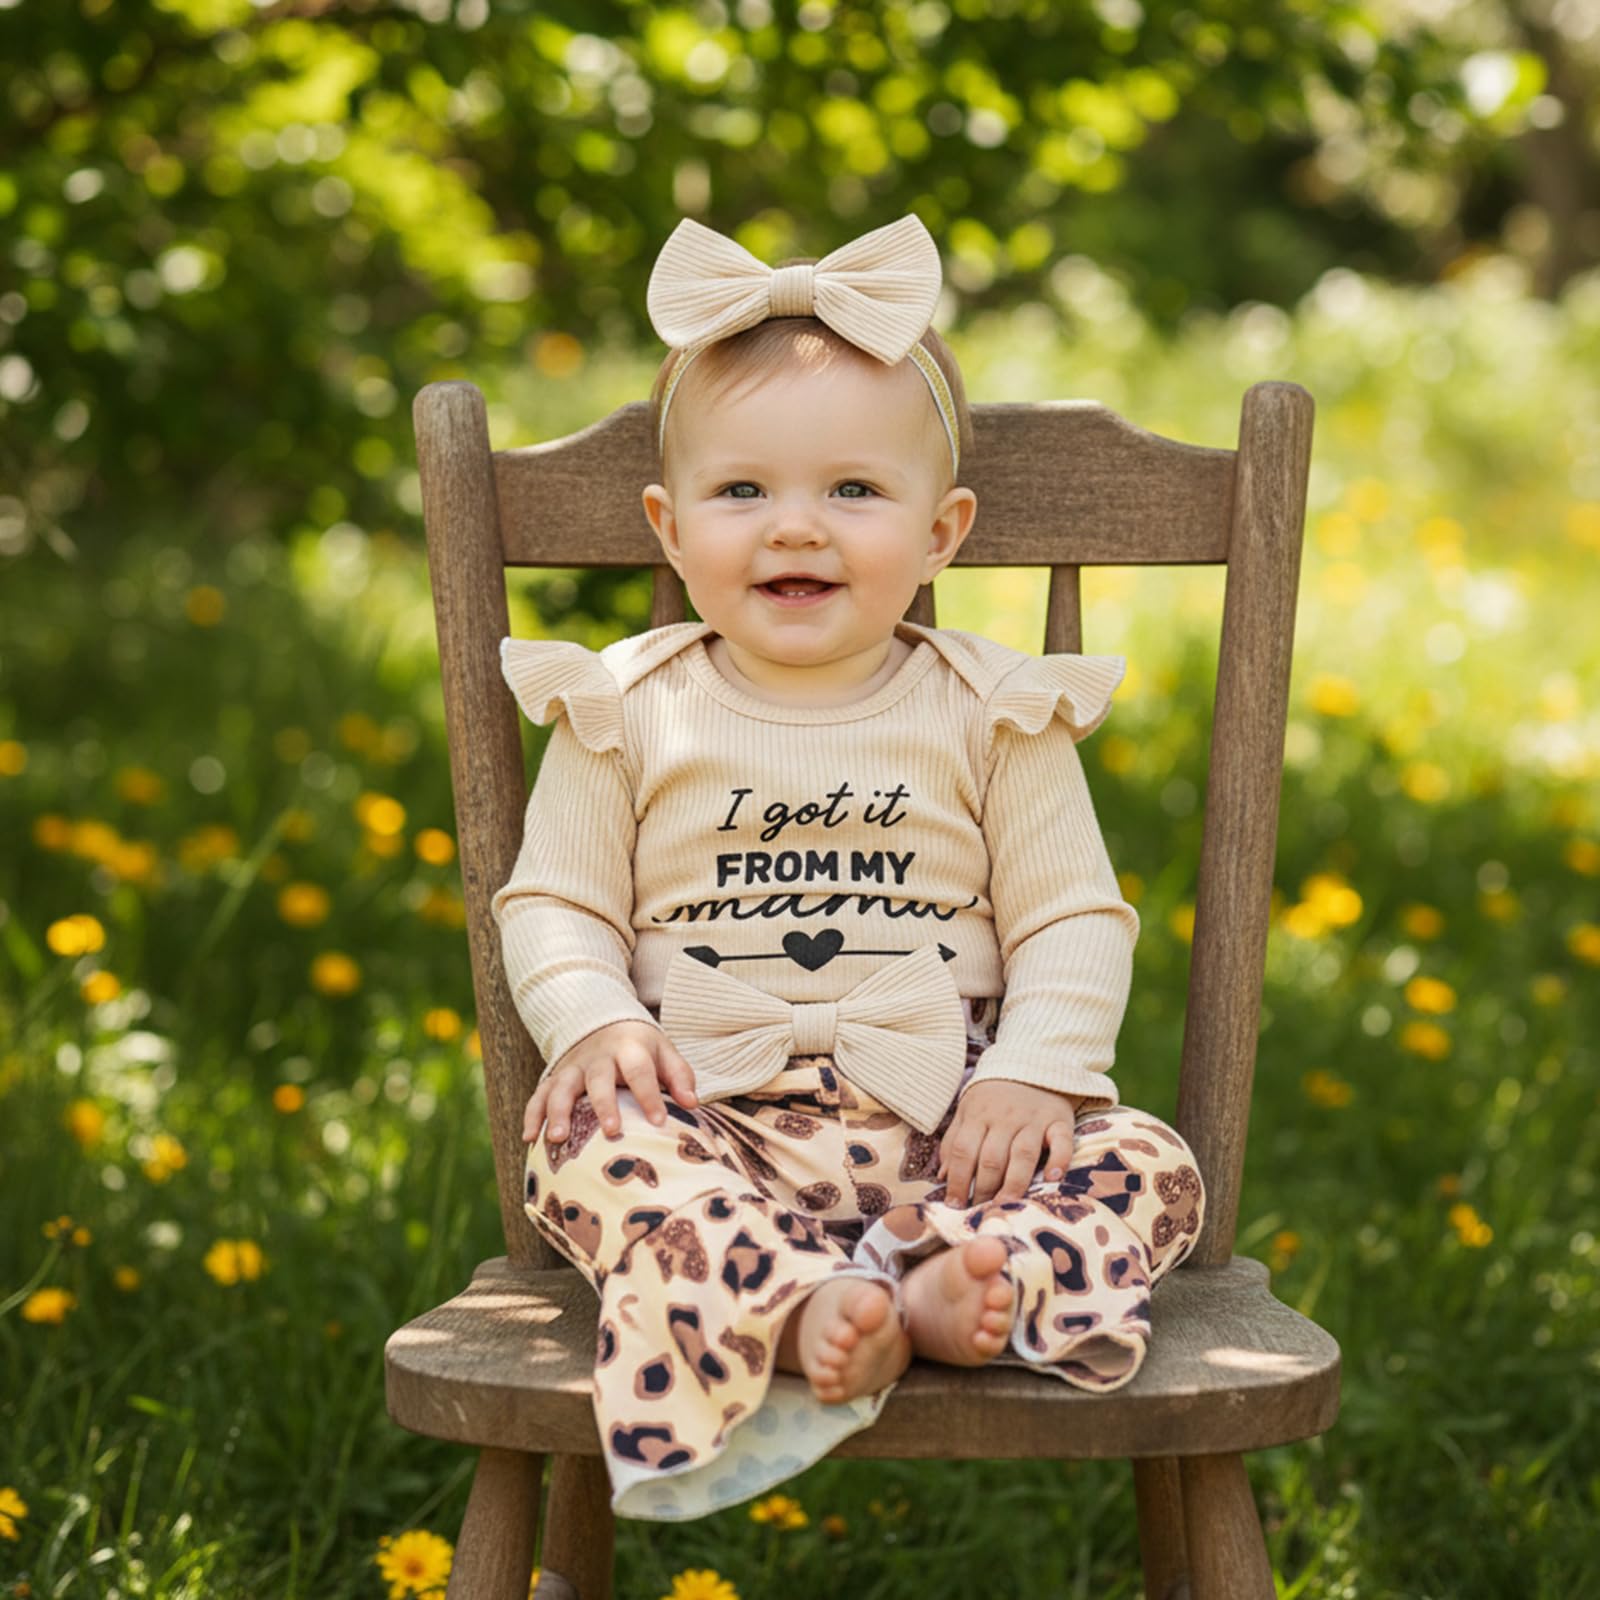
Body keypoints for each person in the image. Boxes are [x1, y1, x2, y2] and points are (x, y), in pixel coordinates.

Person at [491, 213, 1205, 1522]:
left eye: (854, 493)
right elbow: (555, 900)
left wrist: (1035, 1072)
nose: (796, 529)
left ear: (942, 533)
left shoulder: (995, 710)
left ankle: (956, 1281)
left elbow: (1074, 917)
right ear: (669, 526)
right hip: (709, 1114)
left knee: (1148, 1163)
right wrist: (591, 1018)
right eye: (742, 492)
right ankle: (802, 1300)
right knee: (591, 1146)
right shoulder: (622, 706)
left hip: (958, 1127)